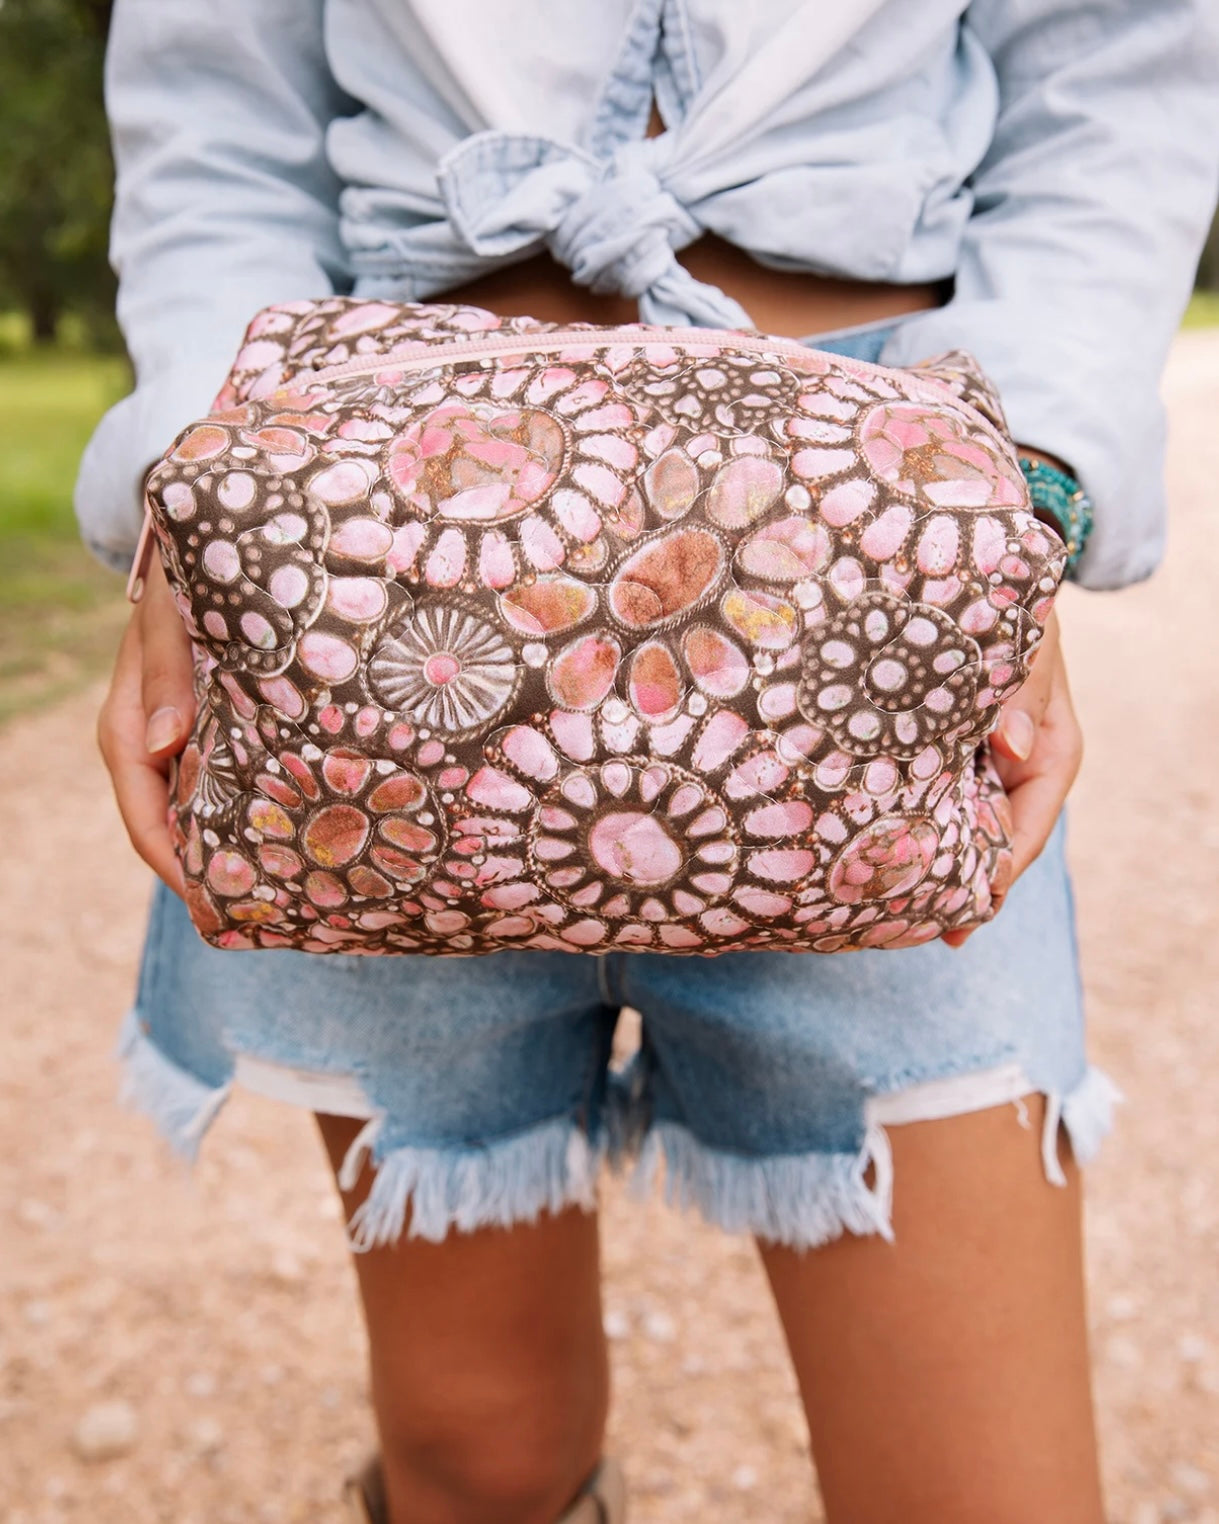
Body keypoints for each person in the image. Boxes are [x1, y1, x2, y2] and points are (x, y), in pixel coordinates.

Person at [77, 4, 1219, 1522]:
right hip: (370, 524)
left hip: (870, 519)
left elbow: (1112, 78)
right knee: (477, 1455)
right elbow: (216, 126)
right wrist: (198, 470)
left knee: (981, 1490)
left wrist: (1024, 482)